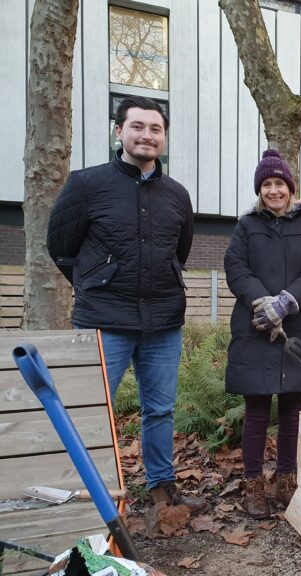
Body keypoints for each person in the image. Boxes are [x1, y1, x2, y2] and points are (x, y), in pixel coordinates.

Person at [47, 95, 206, 514]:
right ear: (119, 132)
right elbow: (61, 247)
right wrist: (98, 284)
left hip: (163, 322)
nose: (146, 135)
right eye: (137, 126)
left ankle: (161, 489)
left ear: (164, 137)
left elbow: (179, 252)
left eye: (155, 129)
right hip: (104, 322)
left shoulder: (177, 195)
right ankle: (90, 497)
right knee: (92, 410)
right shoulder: (86, 184)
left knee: (160, 410)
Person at [224, 149, 301, 518]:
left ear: (290, 187)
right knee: (256, 413)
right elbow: (236, 267)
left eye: (279, 183)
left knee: (292, 411)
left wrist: (285, 303)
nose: (273, 190)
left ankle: (286, 479)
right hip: (255, 330)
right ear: (260, 189)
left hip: (297, 329)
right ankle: (253, 484)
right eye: (266, 184)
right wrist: (262, 303)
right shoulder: (246, 225)